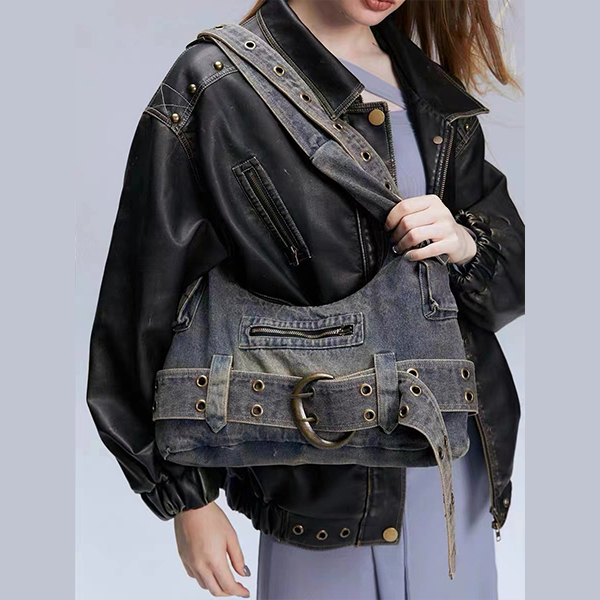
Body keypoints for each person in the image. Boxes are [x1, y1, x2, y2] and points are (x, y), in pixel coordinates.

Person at [86, 0, 525, 598]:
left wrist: (466, 245)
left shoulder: (429, 92)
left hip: (453, 464)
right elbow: (138, 302)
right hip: (319, 469)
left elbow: (511, 288)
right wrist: (186, 500)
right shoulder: (216, 84)